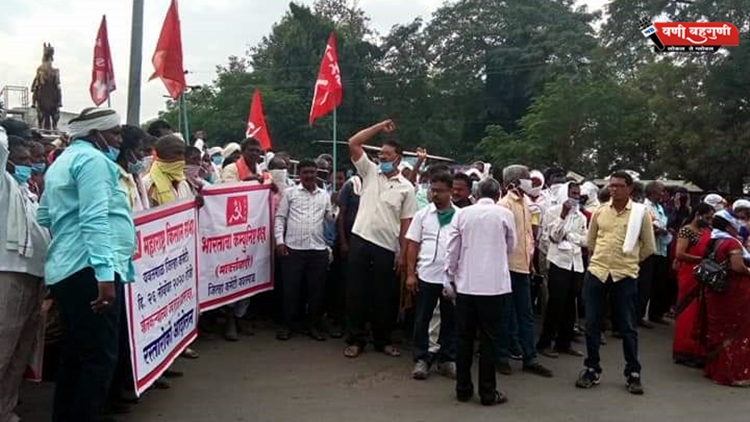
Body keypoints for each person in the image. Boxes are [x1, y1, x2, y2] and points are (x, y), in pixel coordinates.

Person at [37, 107, 136, 421]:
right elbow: (94, 218)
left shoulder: (61, 162)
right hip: (90, 270)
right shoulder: (94, 162)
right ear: (96, 134)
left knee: (76, 355)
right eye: (115, 132)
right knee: (98, 359)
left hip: (68, 268)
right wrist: (104, 275)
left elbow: (44, 215)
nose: (119, 140)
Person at [575, 170, 656, 395]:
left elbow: (649, 247)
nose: (614, 189)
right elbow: (591, 240)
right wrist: (600, 261)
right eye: (611, 185)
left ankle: (633, 372)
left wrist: (629, 261)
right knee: (592, 323)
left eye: (619, 186)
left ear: (629, 189)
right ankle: (592, 368)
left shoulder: (640, 213)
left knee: (627, 326)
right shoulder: (601, 211)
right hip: (598, 273)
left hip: (624, 275)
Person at [343, 120, 417, 359]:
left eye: (387, 154)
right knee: (356, 293)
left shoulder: (407, 188)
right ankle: (356, 340)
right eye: (381, 153)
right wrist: (379, 127)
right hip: (361, 240)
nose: (382, 157)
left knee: (384, 296)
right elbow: (354, 142)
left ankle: (382, 340)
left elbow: (406, 224)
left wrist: (403, 254)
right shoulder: (370, 172)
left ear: (398, 159)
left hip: (386, 247)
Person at [444, 177, 515, 405]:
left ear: (476, 193)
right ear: (498, 194)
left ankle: (463, 389)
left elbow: (452, 248)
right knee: (489, 340)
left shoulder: (463, 214)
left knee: (464, 338)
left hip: (466, 285)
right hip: (494, 286)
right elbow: (511, 246)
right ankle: (488, 392)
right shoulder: (505, 215)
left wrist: (449, 276)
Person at [0, 125, 50, 422]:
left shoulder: (27, 192)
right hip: (9, 276)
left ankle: (5, 411)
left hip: (33, 277)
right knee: (2, 351)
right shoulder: (3, 185)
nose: (29, 165)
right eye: (21, 160)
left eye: (31, 160)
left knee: (19, 354)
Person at [497, 165, 554, 377]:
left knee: (526, 314)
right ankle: (502, 357)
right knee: (505, 314)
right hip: (508, 267)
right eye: (526, 178)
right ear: (515, 181)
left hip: (523, 266)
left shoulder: (525, 203)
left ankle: (530, 357)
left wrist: (530, 263)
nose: (530, 182)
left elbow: (528, 237)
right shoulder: (505, 205)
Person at [274, 159, 334, 341]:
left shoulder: (324, 195)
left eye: (312, 172)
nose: (309, 176)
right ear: (299, 175)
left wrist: (335, 208)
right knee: (291, 290)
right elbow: (280, 218)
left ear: (317, 174)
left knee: (316, 292)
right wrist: (279, 241)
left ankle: (313, 326)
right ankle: (288, 325)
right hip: (293, 249)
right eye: (305, 172)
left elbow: (330, 219)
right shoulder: (290, 193)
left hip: (318, 249)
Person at [406, 171, 458, 380]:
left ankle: (447, 359)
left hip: (451, 279)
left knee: (450, 319)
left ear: (450, 191)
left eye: (440, 191)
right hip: (427, 275)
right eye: (432, 190)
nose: (435, 194)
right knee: (423, 318)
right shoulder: (423, 215)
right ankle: (422, 358)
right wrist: (411, 274)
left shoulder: (460, 216)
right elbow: (413, 244)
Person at [700, 210, 750, 386]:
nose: (739, 223)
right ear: (729, 226)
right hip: (733, 292)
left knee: (719, 330)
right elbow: (737, 267)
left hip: (716, 290)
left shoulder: (714, 240)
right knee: (736, 331)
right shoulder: (731, 242)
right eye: (737, 220)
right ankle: (731, 373)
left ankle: (715, 369)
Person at [537, 182, 587, 358]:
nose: (576, 197)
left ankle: (564, 342)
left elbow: (585, 240)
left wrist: (570, 236)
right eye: (573, 193)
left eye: (578, 194)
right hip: (559, 262)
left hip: (575, 263)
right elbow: (554, 236)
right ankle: (544, 343)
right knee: (556, 303)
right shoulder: (553, 212)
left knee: (570, 304)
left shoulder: (581, 217)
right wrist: (563, 216)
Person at [672, 203, 713, 367]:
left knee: (699, 313)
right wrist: (701, 260)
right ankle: (684, 350)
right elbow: (680, 253)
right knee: (687, 312)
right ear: (698, 214)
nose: (709, 221)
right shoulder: (686, 230)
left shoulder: (707, 231)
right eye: (707, 217)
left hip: (703, 275)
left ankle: (697, 351)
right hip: (689, 275)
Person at [639, 181, 672, 327]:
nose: (663, 193)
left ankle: (656, 313)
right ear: (653, 191)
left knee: (659, 283)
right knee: (645, 284)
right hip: (649, 250)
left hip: (661, 249)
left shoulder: (660, 207)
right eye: (661, 191)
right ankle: (639, 315)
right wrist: (656, 230)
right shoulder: (644, 207)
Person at [142, 135, 193, 208]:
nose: (182, 158)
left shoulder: (183, 182)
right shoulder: (147, 184)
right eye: (178, 153)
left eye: (183, 154)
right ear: (162, 154)